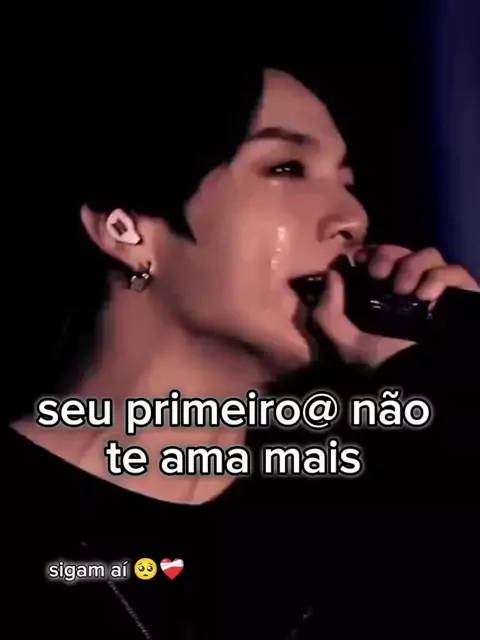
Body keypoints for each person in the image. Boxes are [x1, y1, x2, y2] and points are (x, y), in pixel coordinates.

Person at [3, 52, 479, 640]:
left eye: (348, 183)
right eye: (286, 168)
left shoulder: (367, 509)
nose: (353, 218)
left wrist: (450, 373)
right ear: (128, 230)